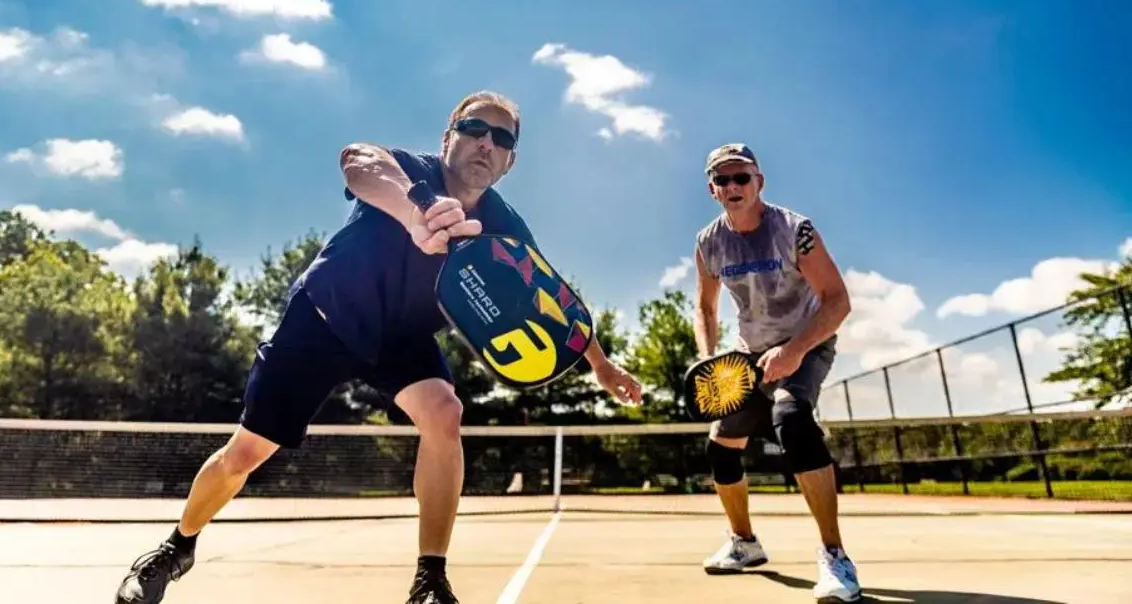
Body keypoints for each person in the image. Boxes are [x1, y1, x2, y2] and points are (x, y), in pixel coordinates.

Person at [114, 91, 644, 604]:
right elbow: (358, 161)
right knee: (246, 454)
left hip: (402, 338)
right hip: (326, 317)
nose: (486, 142)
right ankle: (173, 549)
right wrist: (417, 210)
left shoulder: (506, 230)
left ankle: (429, 581)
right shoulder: (412, 170)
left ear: (510, 161)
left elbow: (546, 302)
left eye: (500, 138)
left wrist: (600, 363)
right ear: (447, 139)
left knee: (444, 412)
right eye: (474, 129)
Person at [690, 143, 861, 602]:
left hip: (808, 342)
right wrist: (709, 358)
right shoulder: (708, 242)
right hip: (750, 353)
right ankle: (744, 543)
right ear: (712, 190)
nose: (732, 186)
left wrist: (794, 350)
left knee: (792, 419)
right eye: (722, 180)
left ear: (759, 181)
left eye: (741, 177)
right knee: (720, 447)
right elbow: (705, 308)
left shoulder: (794, 229)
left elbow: (837, 301)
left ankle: (835, 557)